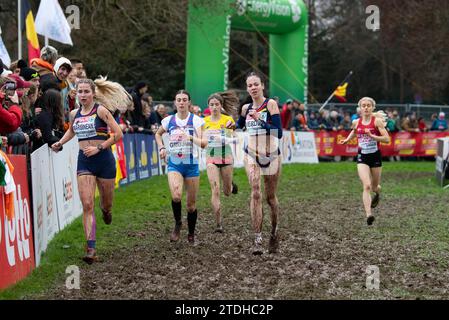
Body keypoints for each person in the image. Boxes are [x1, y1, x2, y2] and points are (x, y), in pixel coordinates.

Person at [51, 78, 124, 264]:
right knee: (87, 204)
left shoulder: (100, 110)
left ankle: (107, 211)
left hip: (104, 161)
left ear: (93, 93)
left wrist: (99, 148)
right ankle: (91, 247)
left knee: (105, 205)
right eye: (80, 92)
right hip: (85, 162)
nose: (83, 95)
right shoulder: (74, 114)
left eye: (86, 92)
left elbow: (118, 134)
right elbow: (72, 132)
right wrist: (60, 142)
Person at [236, 71, 283, 255]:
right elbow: (240, 124)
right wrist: (231, 125)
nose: (253, 88)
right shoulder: (245, 108)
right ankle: (257, 238)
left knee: (270, 198)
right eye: (249, 85)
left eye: (256, 84)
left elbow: (278, 132)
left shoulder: (270, 104)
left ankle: (274, 231)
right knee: (255, 191)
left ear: (262, 85)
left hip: (271, 155)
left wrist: (259, 121)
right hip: (252, 154)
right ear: (247, 89)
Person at [155, 90, 207, 245]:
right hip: (175, 164)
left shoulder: (197, 121)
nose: (182, 102)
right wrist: (162, 148)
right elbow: (158, 134)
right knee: (176, 196)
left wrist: (190, 137)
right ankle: (178, 223)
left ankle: (191, 233)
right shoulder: (168, 120)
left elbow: (204, 144)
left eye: (185, 100)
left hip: (191, 165)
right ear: (175, 102)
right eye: (179, 100)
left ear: (189, 102)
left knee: (191, 206)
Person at [340, 97, 390, 226]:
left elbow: (386, 139)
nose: (366, 108)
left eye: (368, 105)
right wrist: (347, 139)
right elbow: (354, 131)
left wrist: (372, 136)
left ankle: (377, 193)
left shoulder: (377, 122)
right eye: (364, 106)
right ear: (360, 108)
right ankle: (369, 215)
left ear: (373, 108)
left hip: (375, 157)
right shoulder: (356, 122)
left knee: (374, 187)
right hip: (362, 157)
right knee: (366, 186)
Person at [203, 91, 239, 233]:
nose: (214, 107)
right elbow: (200, 139)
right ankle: (218, 224)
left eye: (217, 104)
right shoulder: (203, 122)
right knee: (215, 190)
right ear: (208, 106)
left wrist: (224, 138)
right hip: (211, 157)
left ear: (221, 105)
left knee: (226, 192)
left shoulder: (227, 120)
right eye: (211, 104)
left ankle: (230, 186)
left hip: (226, 156)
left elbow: (235, 138)